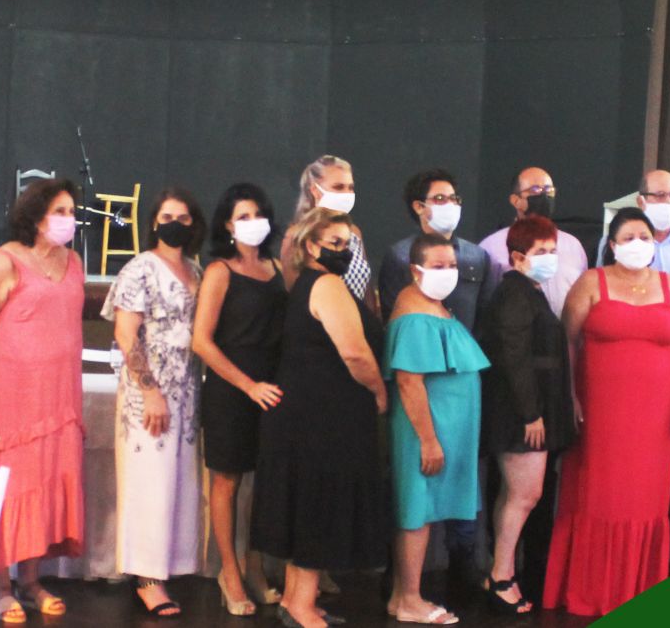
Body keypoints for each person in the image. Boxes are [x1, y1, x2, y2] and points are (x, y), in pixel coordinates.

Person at [543, 207, 670, 616]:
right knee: (599, 497)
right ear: (612, 245)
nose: (637, 244)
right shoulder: (591, 282)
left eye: (644, 237)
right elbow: (567, 341)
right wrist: (570, 396)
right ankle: (590, 590)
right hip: (600, 413)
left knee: (645, 501)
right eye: (628, 237)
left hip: (655, 418)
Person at [254, 208, 390, 628]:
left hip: (312, 415)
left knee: (308, 505)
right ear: (311, 246)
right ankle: (300, 606)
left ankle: (298, 600)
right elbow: (354, 353)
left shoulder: (307, 283)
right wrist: (379, 390)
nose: (343, 250)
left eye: (348, 244)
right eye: (334, 243)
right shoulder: (327, 285)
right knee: (318, 505)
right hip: (323, 417)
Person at [0, 178, 85, 623]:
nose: (69, 220)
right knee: (10, 488)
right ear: (35, 216)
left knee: (46, 483)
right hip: (14, 398)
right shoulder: (4, 261)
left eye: (71, 212)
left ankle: (31, 581)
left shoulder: (74, 262)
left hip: (60, 397)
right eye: (59, 211)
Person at [100, 187, 207, 616]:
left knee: (178, 483)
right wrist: (150, 392)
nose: (174, 225)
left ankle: (170, 566)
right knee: (150, 482)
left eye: (183, 218)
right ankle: (146, 577)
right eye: (167, 217)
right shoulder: (139, 269)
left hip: (188, 391)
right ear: (153, 223)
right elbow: (126, 336)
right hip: (150, 394)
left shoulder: (197, 270)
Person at [384, 233, 492, 625]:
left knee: (424, 511)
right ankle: (411, 600)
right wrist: (428, 440)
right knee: (418, 511)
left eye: (452, 265)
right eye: (438, 266)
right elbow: (409, 382)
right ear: (416, 270)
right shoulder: (414, 315)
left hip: (445, 430)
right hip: (426, 430)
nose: (448, 272)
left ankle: (402, 596)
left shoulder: (436, 307)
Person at [190, 183, 287, 615]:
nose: (253, 223)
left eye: (258, 214)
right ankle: (228, 573)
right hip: (231, 390)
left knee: (264, 484)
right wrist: (248, 385)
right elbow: (202, 342)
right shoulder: (219, 271)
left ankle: (255, 566)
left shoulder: (277, 268)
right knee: (227, 482)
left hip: (274, 388)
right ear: (228, 226)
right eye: (243, 217)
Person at [476, 215, 577, 614]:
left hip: (526, 410)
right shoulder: (515, 295)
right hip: (521, 414)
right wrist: (531, 414)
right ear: (517, 257)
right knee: (525, 494)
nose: (549, 257)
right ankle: (501, 576)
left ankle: (500, 573)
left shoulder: (529, 292)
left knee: (515, 495)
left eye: (553, 250)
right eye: (540, 251)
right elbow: (514, 357)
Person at [379, 168, 491, 329]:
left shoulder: (476, 256)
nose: (450, 204)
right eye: (440, 198)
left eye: (454, 199)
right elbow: (393, 315)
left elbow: (485, 314)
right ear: (419, 206)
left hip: (464, 341)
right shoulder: (400, 255)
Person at [478, 167, 588, 316]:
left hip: (561, 329)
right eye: (535, 190)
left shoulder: (573, 246)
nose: (543, 196)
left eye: (549, 190)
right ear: (515, 200)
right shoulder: (492, 246)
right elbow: (484, 301)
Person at [282, 155, 372, 305]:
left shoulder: (354, 232)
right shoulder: (296, 235)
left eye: (350, 187)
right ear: (315, 191)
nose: (347, 193)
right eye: (338, 187)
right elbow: (293, 294)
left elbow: (367, 287)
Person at [597, 170, 670, 288]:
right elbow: (600, 285)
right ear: (640, 201)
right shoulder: (617, 242)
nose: (668, 201)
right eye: (660, 195)